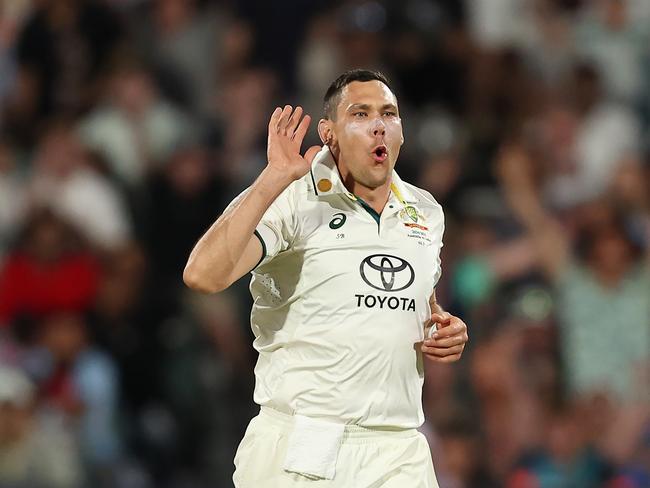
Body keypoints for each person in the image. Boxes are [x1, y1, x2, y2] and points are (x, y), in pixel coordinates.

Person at [184, 69, 469, 487]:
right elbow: (202, 275)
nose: (378, 125)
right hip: (303, 444)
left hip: (398, 447)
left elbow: (403, 300)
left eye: (389, 114)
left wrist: (446, 329)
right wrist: (272, 178)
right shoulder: (294, 200)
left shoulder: (426, 212)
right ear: (329, 132)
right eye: (360, 114)